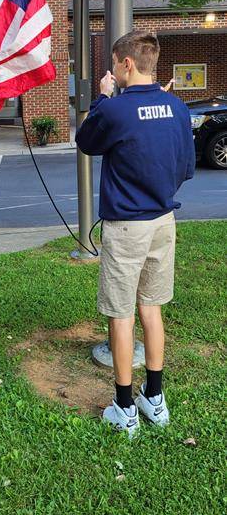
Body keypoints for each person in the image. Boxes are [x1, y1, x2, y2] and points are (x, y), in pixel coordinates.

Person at [76, 31, 195, 437]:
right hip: (163, 220)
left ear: (127, 64)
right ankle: (155, 398)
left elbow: (86, 141)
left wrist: (102, 98)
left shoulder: (116, 109)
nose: (112, 72)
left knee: (121, 314)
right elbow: (185, 168)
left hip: (126, 225)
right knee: (152, 308)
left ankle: (125, 406)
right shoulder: (177, 107)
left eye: (113, 64)